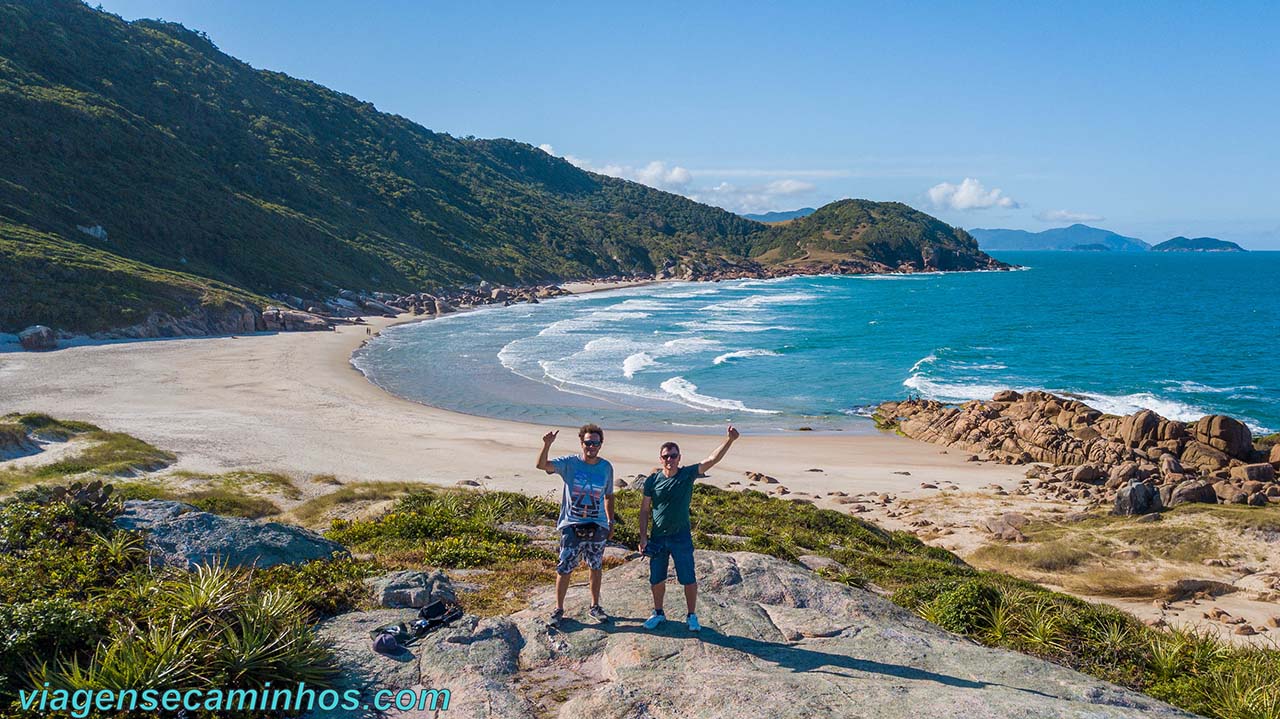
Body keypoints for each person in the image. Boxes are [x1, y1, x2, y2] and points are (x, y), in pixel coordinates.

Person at [637, 424, 740, 632]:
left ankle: (692, 616)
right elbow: (645, 510)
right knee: (656, 578)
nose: (669, 460)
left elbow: (711, 460)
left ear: (679, 458)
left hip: (680, 537)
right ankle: (658, 613)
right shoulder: (652, 481)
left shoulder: (687, 474)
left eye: (673, 456)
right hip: (657, 537)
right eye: (666, 456)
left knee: (688, 578)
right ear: (660, 459)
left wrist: (729, 440)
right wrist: (643, 538)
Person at [535, 423, 615, 627]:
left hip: (597, 525)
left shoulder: (606, 467)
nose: (591, 446)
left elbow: (608, 496)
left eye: (595, 443)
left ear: (601, 444)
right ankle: (559, 609)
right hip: (572, 524)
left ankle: (595, 606)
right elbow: (541, 466)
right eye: (588, 442)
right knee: (564, 567)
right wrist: (547, 445)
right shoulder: (569, 463)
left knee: (595, 566)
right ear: (582, 443)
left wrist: (610, 521)